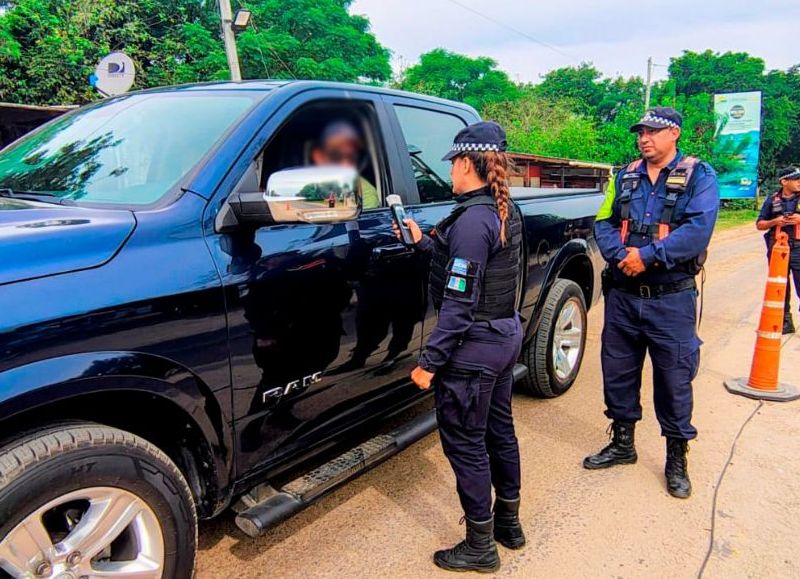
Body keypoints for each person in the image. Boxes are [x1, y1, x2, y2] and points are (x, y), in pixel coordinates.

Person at [395, 122, 525, 573]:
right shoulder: (501, 210)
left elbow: (459, 303)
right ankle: (508, 524)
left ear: (468, 163)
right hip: (504, 337)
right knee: (498, 431)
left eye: (453, 163)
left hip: (473, 350)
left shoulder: (474, 220)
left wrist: (430, 362)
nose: (450, 171)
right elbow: (481, 270)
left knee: (465, 444)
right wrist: (424, 241)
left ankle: (480, 546)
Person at [586, 107, 719, 499]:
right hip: (624, 297)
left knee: (674, 380)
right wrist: (619, 255)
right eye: (641, 132)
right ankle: (623, 444)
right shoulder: (624, 175)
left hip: (670, 299)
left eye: (653, 132)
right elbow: (603, 222)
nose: (644, 138)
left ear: (674, 133)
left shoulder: (700, 176)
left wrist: (645, 257)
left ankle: (676, 458)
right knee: (618, 372)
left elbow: (698, 230)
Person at [756, 166, 800, 334]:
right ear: (784, 182)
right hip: (777, 250)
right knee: (780, 287)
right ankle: (785, 323)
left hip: (798, 248)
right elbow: (760, 225)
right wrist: (776, 222)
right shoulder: (772, 200)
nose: (799, 182)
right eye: (796, 179)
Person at [310, 121, 380, 209]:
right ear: (319, 156)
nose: (346, 165)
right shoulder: (305, 184)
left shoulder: (364, 192)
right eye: (336, 156)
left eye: (352, 157)